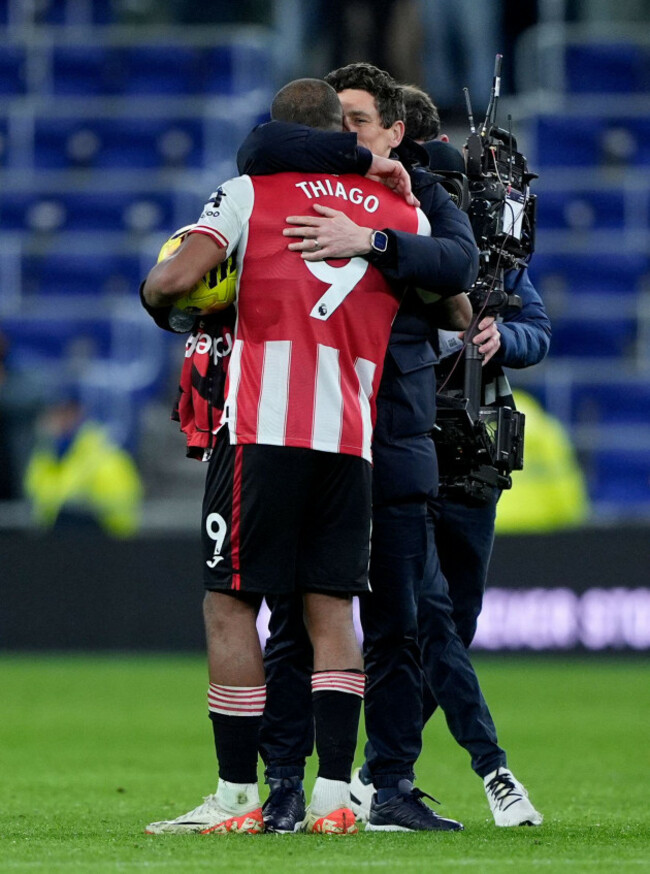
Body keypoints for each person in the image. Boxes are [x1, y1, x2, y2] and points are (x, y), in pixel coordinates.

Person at [140, 77, 455, 837]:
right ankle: (335, 797)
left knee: (230, 603)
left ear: (277, 130)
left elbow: (175, 278)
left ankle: (238, 796)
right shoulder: (396, 204)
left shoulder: (250, 191)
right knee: (329, 609)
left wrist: (169, 303)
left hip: (262, 428)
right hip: (350, 438)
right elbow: (454, 301)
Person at [237, 62, 479, 832]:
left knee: (396, 629)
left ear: (395, 132)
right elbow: (261, 141)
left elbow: (457, 266)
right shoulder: (290, 186)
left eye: (358, 124)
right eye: (333, 123)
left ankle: (390, 785)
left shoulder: (413, 197)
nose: (344, 137)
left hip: (392, 438)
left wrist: (369, 238)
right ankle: (287, 782)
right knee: (293, 625)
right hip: (311, 433)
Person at [349, 85, 551, 827]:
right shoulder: (402, 221)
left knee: (451, 620)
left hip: (471, 447)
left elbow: (536, 327)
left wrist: (508, 341)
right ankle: (480, 770)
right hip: (406, 443)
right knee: (423, 616)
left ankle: (377, 774)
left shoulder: (495, 246)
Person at [23, 391, 142, 537]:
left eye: (67, 412)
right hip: (53, 541)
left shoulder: (105, 454)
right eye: (56, 413)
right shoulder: (43, 455)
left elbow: (120, 512)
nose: (60, 420)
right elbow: (37, 502)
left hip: (100, 541)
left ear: (79, 414)